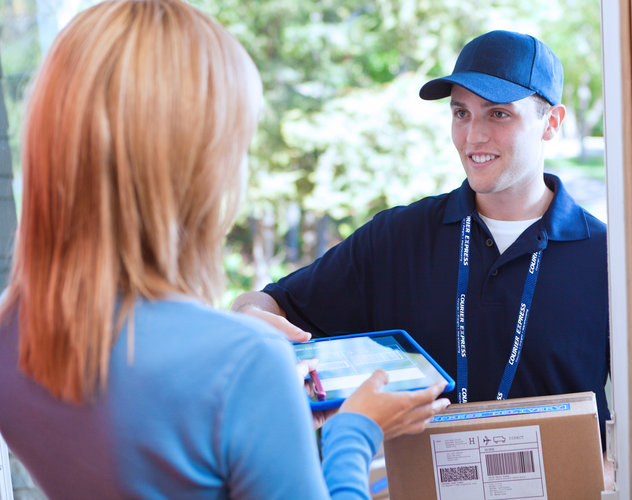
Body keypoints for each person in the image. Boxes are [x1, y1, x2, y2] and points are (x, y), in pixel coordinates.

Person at [0, 1, 450, 498]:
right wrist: (355, 431)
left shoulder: (13, 329)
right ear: (191, 167)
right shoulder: (246, 367)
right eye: (237, 144)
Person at [232, 30, 611, 453]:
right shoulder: (395, 238)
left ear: (551, 123)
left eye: (498, 114)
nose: (472, 137)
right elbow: (273, 304)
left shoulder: (609, 259)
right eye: (461, 113)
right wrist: (248, 315)